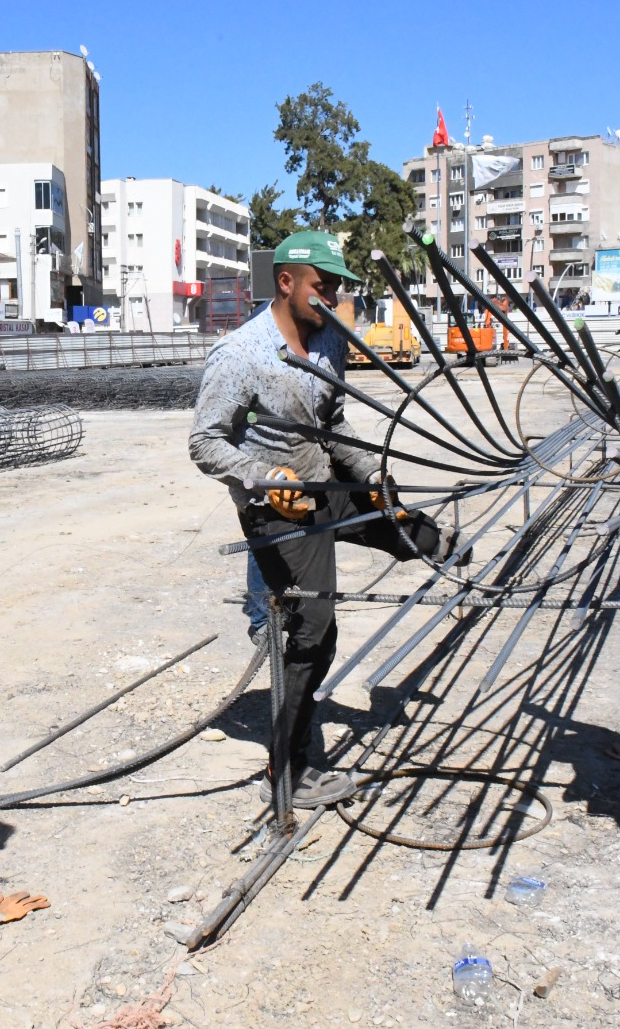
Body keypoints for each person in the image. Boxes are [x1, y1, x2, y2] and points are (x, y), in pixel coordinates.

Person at [189, 230, 460, 809]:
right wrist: (262, 476)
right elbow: (204, 444)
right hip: (275, 509)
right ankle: (289, 770)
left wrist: (372, 475)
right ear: (285, 282)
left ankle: (445, 548)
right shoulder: (239, 355)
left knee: (401, 522)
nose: (332, 296)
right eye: (323, 285)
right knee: (314, 630)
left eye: (337, 287)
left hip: (322, 479)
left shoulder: (330, 341)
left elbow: (334, 421)